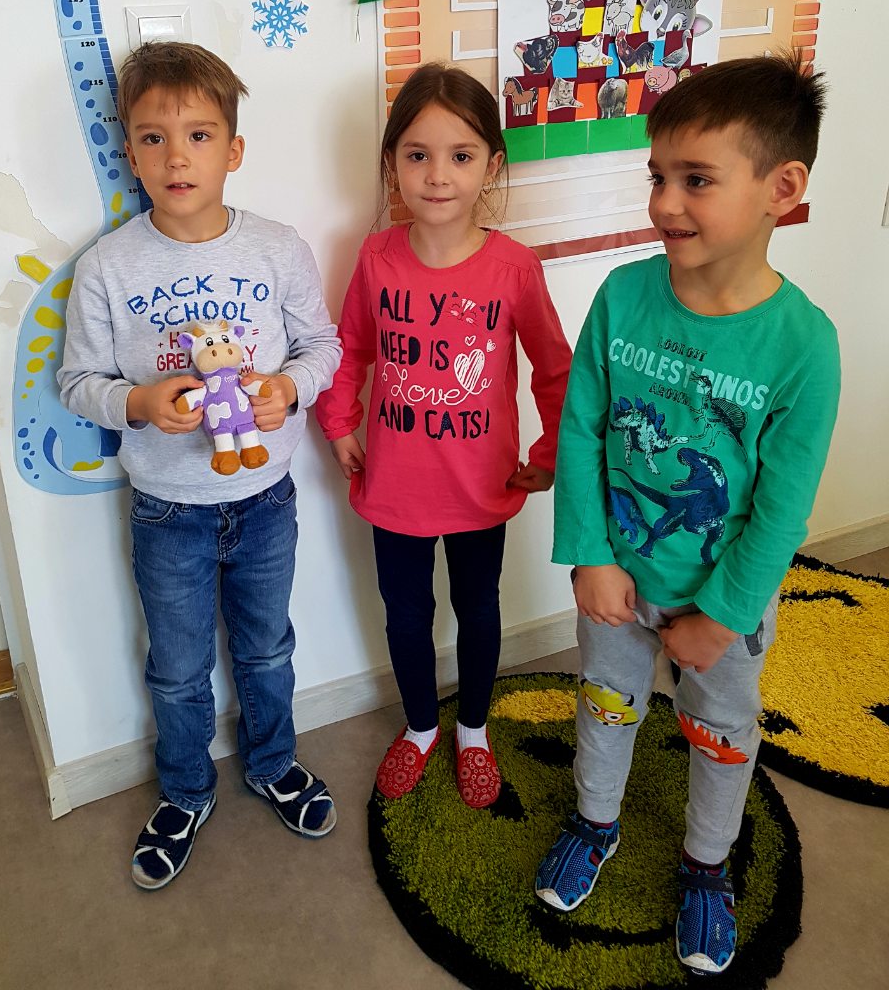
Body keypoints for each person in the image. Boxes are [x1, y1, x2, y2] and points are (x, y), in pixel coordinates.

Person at [534, 52, 840, 975]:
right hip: (616, 584)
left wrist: (723, 616)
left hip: (722, 605)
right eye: (657, 176)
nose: (665, 202)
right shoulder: (623, 297)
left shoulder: (804, 346)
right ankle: (596, 821)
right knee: (606, 708)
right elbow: (581, 428)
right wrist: (589, 554)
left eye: (696, 180)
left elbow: (782, 511)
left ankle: (707, 865)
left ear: (781, 189)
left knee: (720, 736)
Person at [58, 42, 342, 890]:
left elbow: (323, 348)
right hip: (166, 510)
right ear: (130, 152)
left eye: (199, 135)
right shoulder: (107, 267)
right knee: (178, 669)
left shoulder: (278, 249)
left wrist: (286, 390)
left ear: (234, 149)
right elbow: (77, 382)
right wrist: (140, 403)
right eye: (153, 138)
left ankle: (273, 762)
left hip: (266, 498)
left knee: (267, 649)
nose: (176, 157)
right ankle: (185, 790)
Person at [316, 62, 571, 808]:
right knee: (405, 613)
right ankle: (422, 726)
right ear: (392, 162)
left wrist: (548, 454)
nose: (436, 175)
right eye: (417, 154)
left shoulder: (514, 269)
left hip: (480, 486)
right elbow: (350, 349)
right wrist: (338, 423)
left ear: (491, 164)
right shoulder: (376, 256)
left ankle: (474, 732)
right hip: (394, 483)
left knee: (478, 607)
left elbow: (555, 370)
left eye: (460, 155)